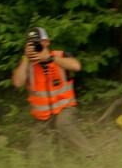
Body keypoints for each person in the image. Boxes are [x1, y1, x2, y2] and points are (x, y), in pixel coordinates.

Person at [11, 27, 93, 156]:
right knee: (35, 153)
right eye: (31, 43)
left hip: (65, 108)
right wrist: (26, 59)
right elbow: (17, 83)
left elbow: (76, 66)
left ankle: (91, 156)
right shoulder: (27, 64)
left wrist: (49, 58)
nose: (35, 46)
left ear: (46, 42)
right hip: (42, 117)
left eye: (38, 42)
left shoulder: (59, 55)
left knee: (64, 124)